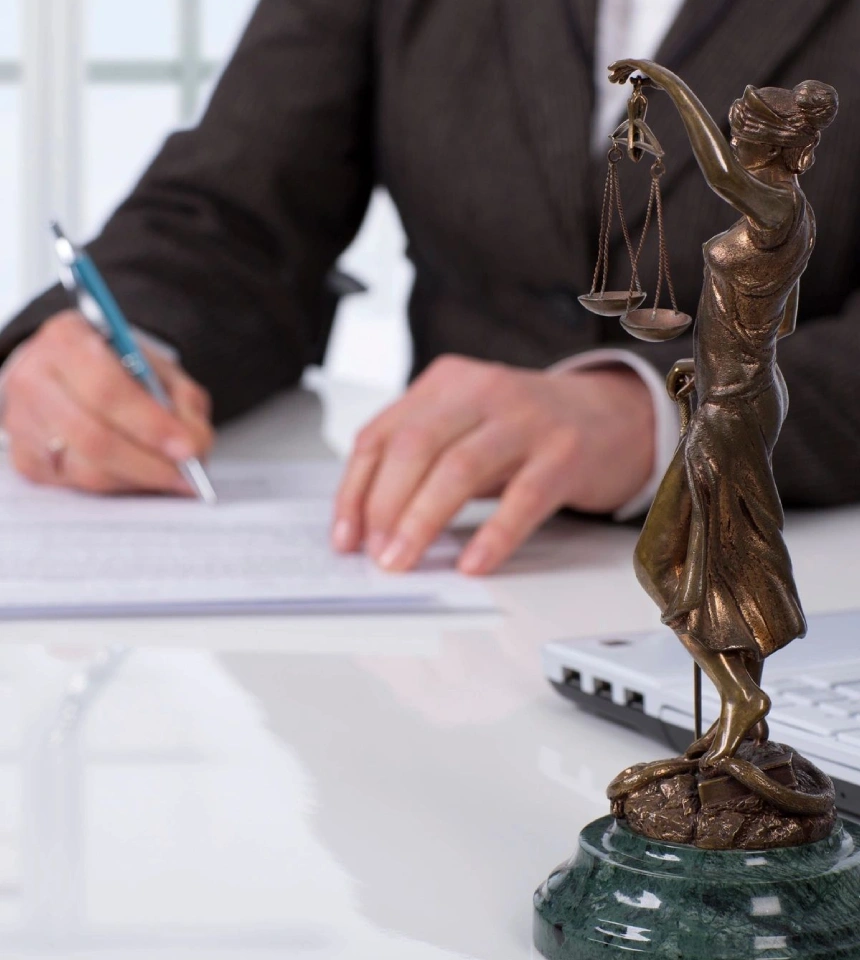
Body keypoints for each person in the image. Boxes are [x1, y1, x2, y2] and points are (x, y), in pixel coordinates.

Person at [0, 0, 858, 577]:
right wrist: (121, 340)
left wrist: (656, 412)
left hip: (797, 573)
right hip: (442, 583)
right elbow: (233, 210)